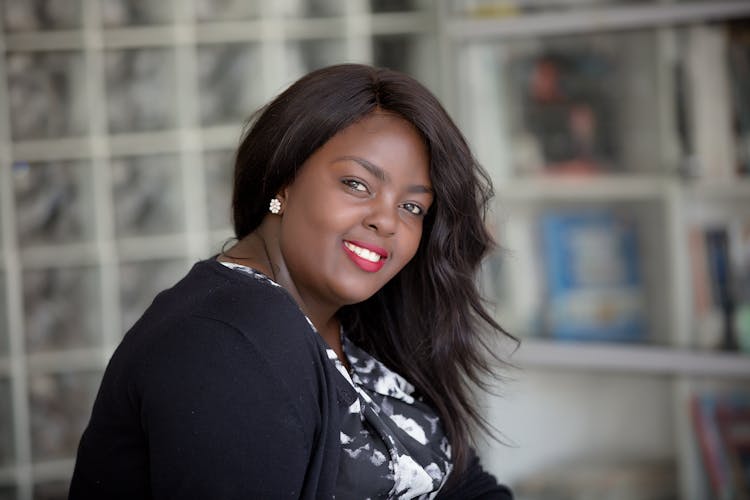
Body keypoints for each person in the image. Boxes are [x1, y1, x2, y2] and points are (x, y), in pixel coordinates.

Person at [69, 64, 515, 499]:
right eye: (357, 184)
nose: (387, 221)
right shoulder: (226, 345)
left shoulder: (359, 323)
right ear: (284, 180)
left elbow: (466, 487)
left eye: (412, 207)